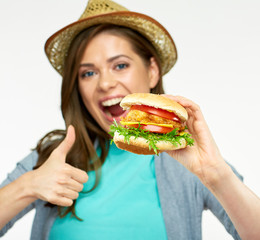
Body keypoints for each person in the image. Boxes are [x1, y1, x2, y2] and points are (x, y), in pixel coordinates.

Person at [0, 0, 260, 239]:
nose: (105, 83)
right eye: (88, 73)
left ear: (152, 71)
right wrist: (28, 186)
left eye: (120, 65)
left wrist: (216, 174)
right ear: (76, 85)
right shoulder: (51, 158)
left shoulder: (187, 161)